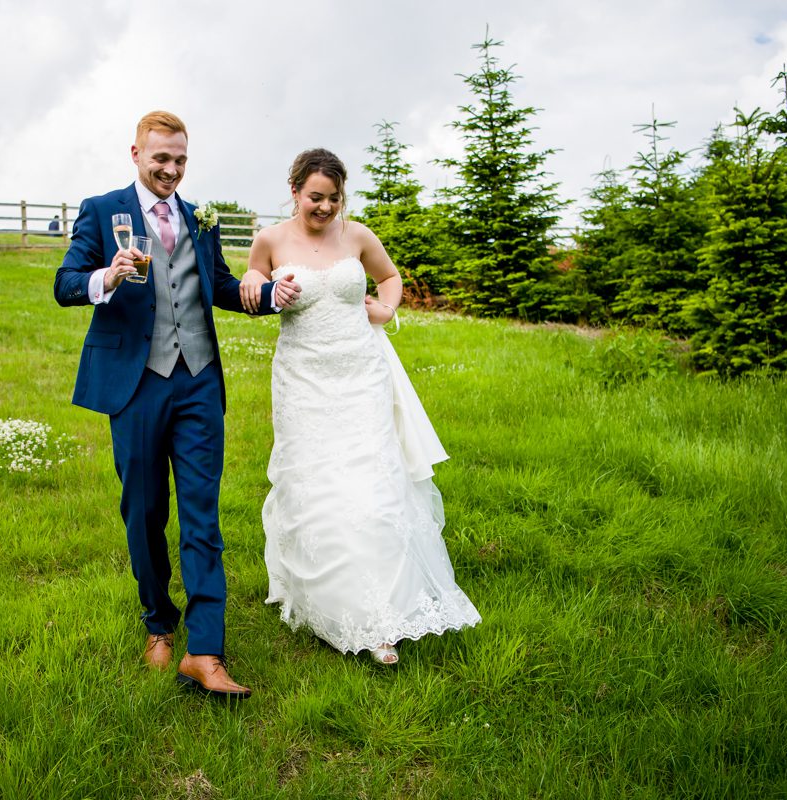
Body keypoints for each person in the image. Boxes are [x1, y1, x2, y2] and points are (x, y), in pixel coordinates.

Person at [53, 111, 302, 699]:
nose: (170, 169)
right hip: (134, 384)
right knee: (143, 512)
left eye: (180, 160)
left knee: (201, 513)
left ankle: (206, 649)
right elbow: (64, 284)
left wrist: (270, 295)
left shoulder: (199, 216)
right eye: (160, 158)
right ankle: (157, 622)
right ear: (135, 153)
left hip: (197, 381)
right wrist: (105, 278)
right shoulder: (101, 210)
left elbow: (217, 286)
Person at [240, 148, 481, 665]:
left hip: (361, 375)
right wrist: (265, 290)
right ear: (294, 190)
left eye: (332, 198)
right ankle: (324, 601)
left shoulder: (358, 235)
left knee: (372, 483)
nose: (324, 208)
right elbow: (250, 287)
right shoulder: (271, 239)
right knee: (318, 485)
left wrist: (386, 307)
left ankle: (381, 616)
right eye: (314, 198)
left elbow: (389, 278)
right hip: (302, 379)